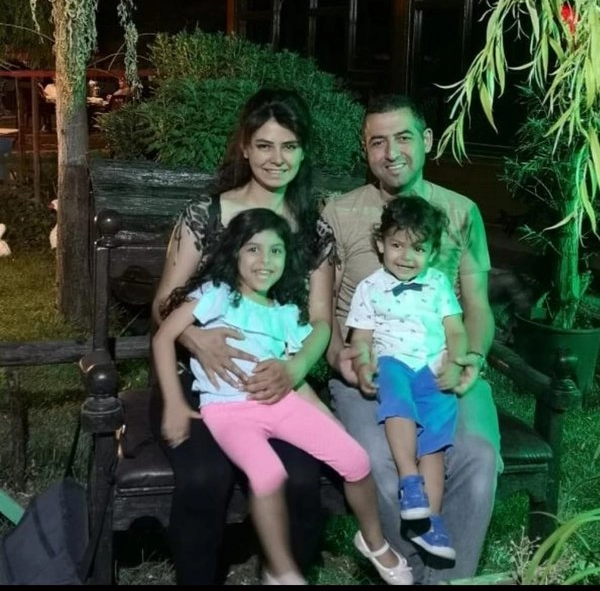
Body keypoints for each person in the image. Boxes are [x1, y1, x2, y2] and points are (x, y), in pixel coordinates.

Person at [153, 207, 413, 586]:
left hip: (280, 404)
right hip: (229, 411)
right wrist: (175, 404)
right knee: (269, 474)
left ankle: (374, 542)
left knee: (356, 459)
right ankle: (281, 570)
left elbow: (294, 381)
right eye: (253, 249)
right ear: (235, 253)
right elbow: (164, 337)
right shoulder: (217, 295)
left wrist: (329, 418)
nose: (265, 260)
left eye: (276, 251)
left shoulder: (286, 314)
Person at [150, 87, 335, 585]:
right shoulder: (205, 215)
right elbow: (163, 302)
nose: (277, 158)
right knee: (204, 475)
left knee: (300, 475)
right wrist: (196, 340)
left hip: (274, 379)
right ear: (245, 148)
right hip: (199, 380)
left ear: (304, 152)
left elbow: (321, 321)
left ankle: (285, 574)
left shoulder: (314, 231)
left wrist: (295, 368)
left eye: (289, 146)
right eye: (265, 145)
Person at [322, 93, 502, 584]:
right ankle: (412, 574)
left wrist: (471, 357)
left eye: (403, 137)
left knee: (478, 455)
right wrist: (341, 357)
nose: (391, 152)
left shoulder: (460, 211)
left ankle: (445, 580)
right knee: (378, 460)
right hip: (373, 371)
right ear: (365, 149)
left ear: (427, 140)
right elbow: (323, 309)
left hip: (444, 364)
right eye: (377, 142)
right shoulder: (339, 213)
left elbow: (477, 306)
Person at [347, 196, 468, 563]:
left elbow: (456, 330)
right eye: (397, 245)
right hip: (392, 361)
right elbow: (361, 339)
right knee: (397, 400)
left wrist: (455, 361)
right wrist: (363, 364)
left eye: (418, 248)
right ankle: (409, 480)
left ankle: (430, 520)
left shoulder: (439, 284)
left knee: (434, 440)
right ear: (381, 244)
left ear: (432, 252)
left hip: (432, 366)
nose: (406, 256)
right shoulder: (369, 287)